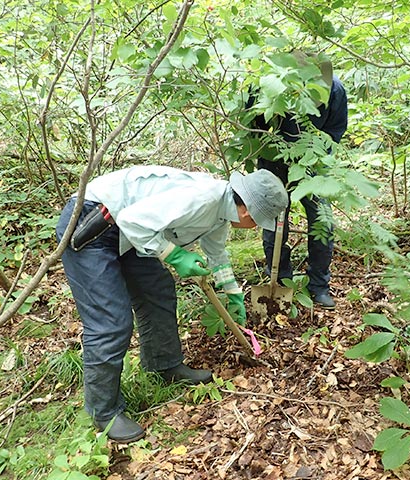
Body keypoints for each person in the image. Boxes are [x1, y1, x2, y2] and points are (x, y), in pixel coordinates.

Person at [55, 165, 288, 443]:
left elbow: (216, 252)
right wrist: (175, 256)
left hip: (130, 233)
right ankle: (103, 412)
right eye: (257, 222)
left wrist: (232, 290)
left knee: (159, 290)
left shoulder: (221, 211)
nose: (253, 228)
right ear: (248, 211)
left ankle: (164, 365)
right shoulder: (203, 198)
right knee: (111, 322)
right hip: (93, 222)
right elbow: (132, 219)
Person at [248, 53, 348, 309]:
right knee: (274, 224)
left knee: (322, 222)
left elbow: (334, 131)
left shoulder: (335, 89)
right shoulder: (269, 86)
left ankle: (319, 286)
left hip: (312, 162)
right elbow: (253, 125)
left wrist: (312, 154)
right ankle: (281, 282)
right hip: (273, 160)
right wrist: (273, 149)